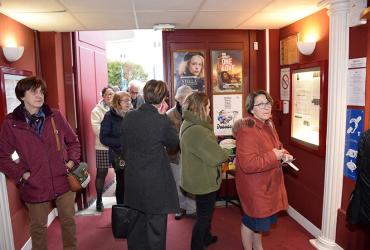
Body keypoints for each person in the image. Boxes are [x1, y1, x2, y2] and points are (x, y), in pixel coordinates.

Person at [0, 76, 81, 250]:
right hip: (34, 185)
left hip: (63, 180)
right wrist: (23, 174)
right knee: (38, 229)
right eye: (34, 91)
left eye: (42, 91)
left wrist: (71, 162)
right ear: (22, 96)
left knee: (68, 222)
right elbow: (2, 157)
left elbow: (73, 142)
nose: (39, 95)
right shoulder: (11, 123)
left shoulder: (54, 116)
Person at [121, 79, 179, 250]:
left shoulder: (129, 116)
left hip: (133, 179)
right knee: (156, 230)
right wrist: (163, 116)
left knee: (135, 228)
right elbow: (174, 144)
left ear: (144, 95)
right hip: (155, 183)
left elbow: (123, 147)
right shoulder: (161, 120)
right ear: (163, 99)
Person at [232, 90, 293, 250]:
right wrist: (274, 156)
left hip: (267, 185)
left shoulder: (268, 124)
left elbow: (277, 147)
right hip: (255, 188)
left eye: (268, 103)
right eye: (261, 104)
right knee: (250, 221)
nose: (266, 107)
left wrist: (284, 154)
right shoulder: (247, 130)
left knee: (257, 223)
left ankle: (258, 248)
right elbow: (248, 164)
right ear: (252, 109)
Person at [180, 92, 228, 250]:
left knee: (204, 212)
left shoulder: (188, 123)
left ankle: (206, 237)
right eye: (207, 106)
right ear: (201, 108)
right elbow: (216, 157)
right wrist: (225, 152)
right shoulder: (199, 131)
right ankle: (197, 245)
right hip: (203, 180)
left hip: (196, 176)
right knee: (204, 217)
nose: (209, 109)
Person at [166, 85, 196, 220]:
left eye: (189, 98)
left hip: (192, 153)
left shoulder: (196, 113)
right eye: (184, 98)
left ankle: (192, 208)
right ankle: (180, 208)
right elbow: (167, 136)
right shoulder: (169, 114)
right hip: (175, 154)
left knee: (192, 181)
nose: (186, 101)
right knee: (178, 181)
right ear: (178, 99)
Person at [100, 91, 131, 204]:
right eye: (126, 101)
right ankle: (122, 212)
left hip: (133, 155)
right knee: (122, 183)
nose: (129, 103)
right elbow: (103, 138)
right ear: (118, 102)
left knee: (133, 184)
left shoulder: (131, 115)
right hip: (118, 156)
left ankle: (133, 211)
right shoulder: (109, 117)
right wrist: (121, 143)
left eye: (129, 100)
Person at [90, 86, 114, 212]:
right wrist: (112, 137)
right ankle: (99, 200)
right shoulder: (96, 111)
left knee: (120, 173)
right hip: (103, 147)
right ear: (103, 96)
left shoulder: (118, 108)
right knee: (101, 173)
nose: (111, 96)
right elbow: (97, 130)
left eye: (112, 94)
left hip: (117, 147)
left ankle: (121, 200)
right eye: (108, 94)